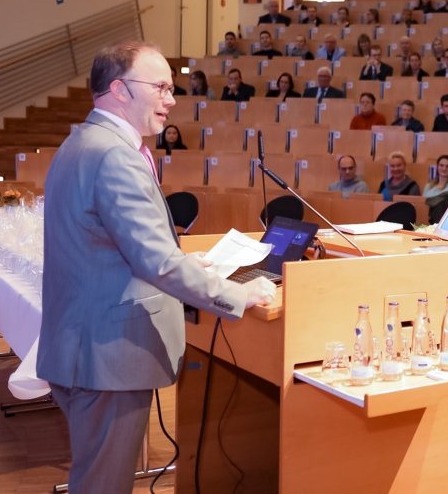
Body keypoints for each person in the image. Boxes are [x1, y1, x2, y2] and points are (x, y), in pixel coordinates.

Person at [38, 42, 276, 493]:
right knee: (103, 485)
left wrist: (186, 261)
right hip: (106, 355)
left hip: (84, 347)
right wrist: (238, 295)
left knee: (95, 479)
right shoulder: (114, 155)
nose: (171, 99)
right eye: (161, 87)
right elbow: (155, 262)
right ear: (119, 90)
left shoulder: (81, 142)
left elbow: (107, 247)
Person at [424, 154, 448, 223]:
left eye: (447, 166)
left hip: (443, 220)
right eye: (441, 165)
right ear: (437, 167)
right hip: (426, 218)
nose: (444, 168)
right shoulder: (428, 186)